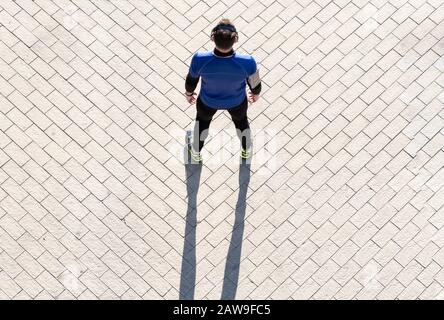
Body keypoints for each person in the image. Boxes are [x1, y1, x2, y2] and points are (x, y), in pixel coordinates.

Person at [184, 18, 262, 163]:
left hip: (207, 102)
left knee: (202, 124)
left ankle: (195, 153)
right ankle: (247, 150)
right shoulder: (248, 61)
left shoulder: (199, 59)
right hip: (237, 102)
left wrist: (189, 94)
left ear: (212, 38)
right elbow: (255, 84)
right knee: (241, 122)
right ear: (236, 39)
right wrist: (255, 94)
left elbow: (191, 80)